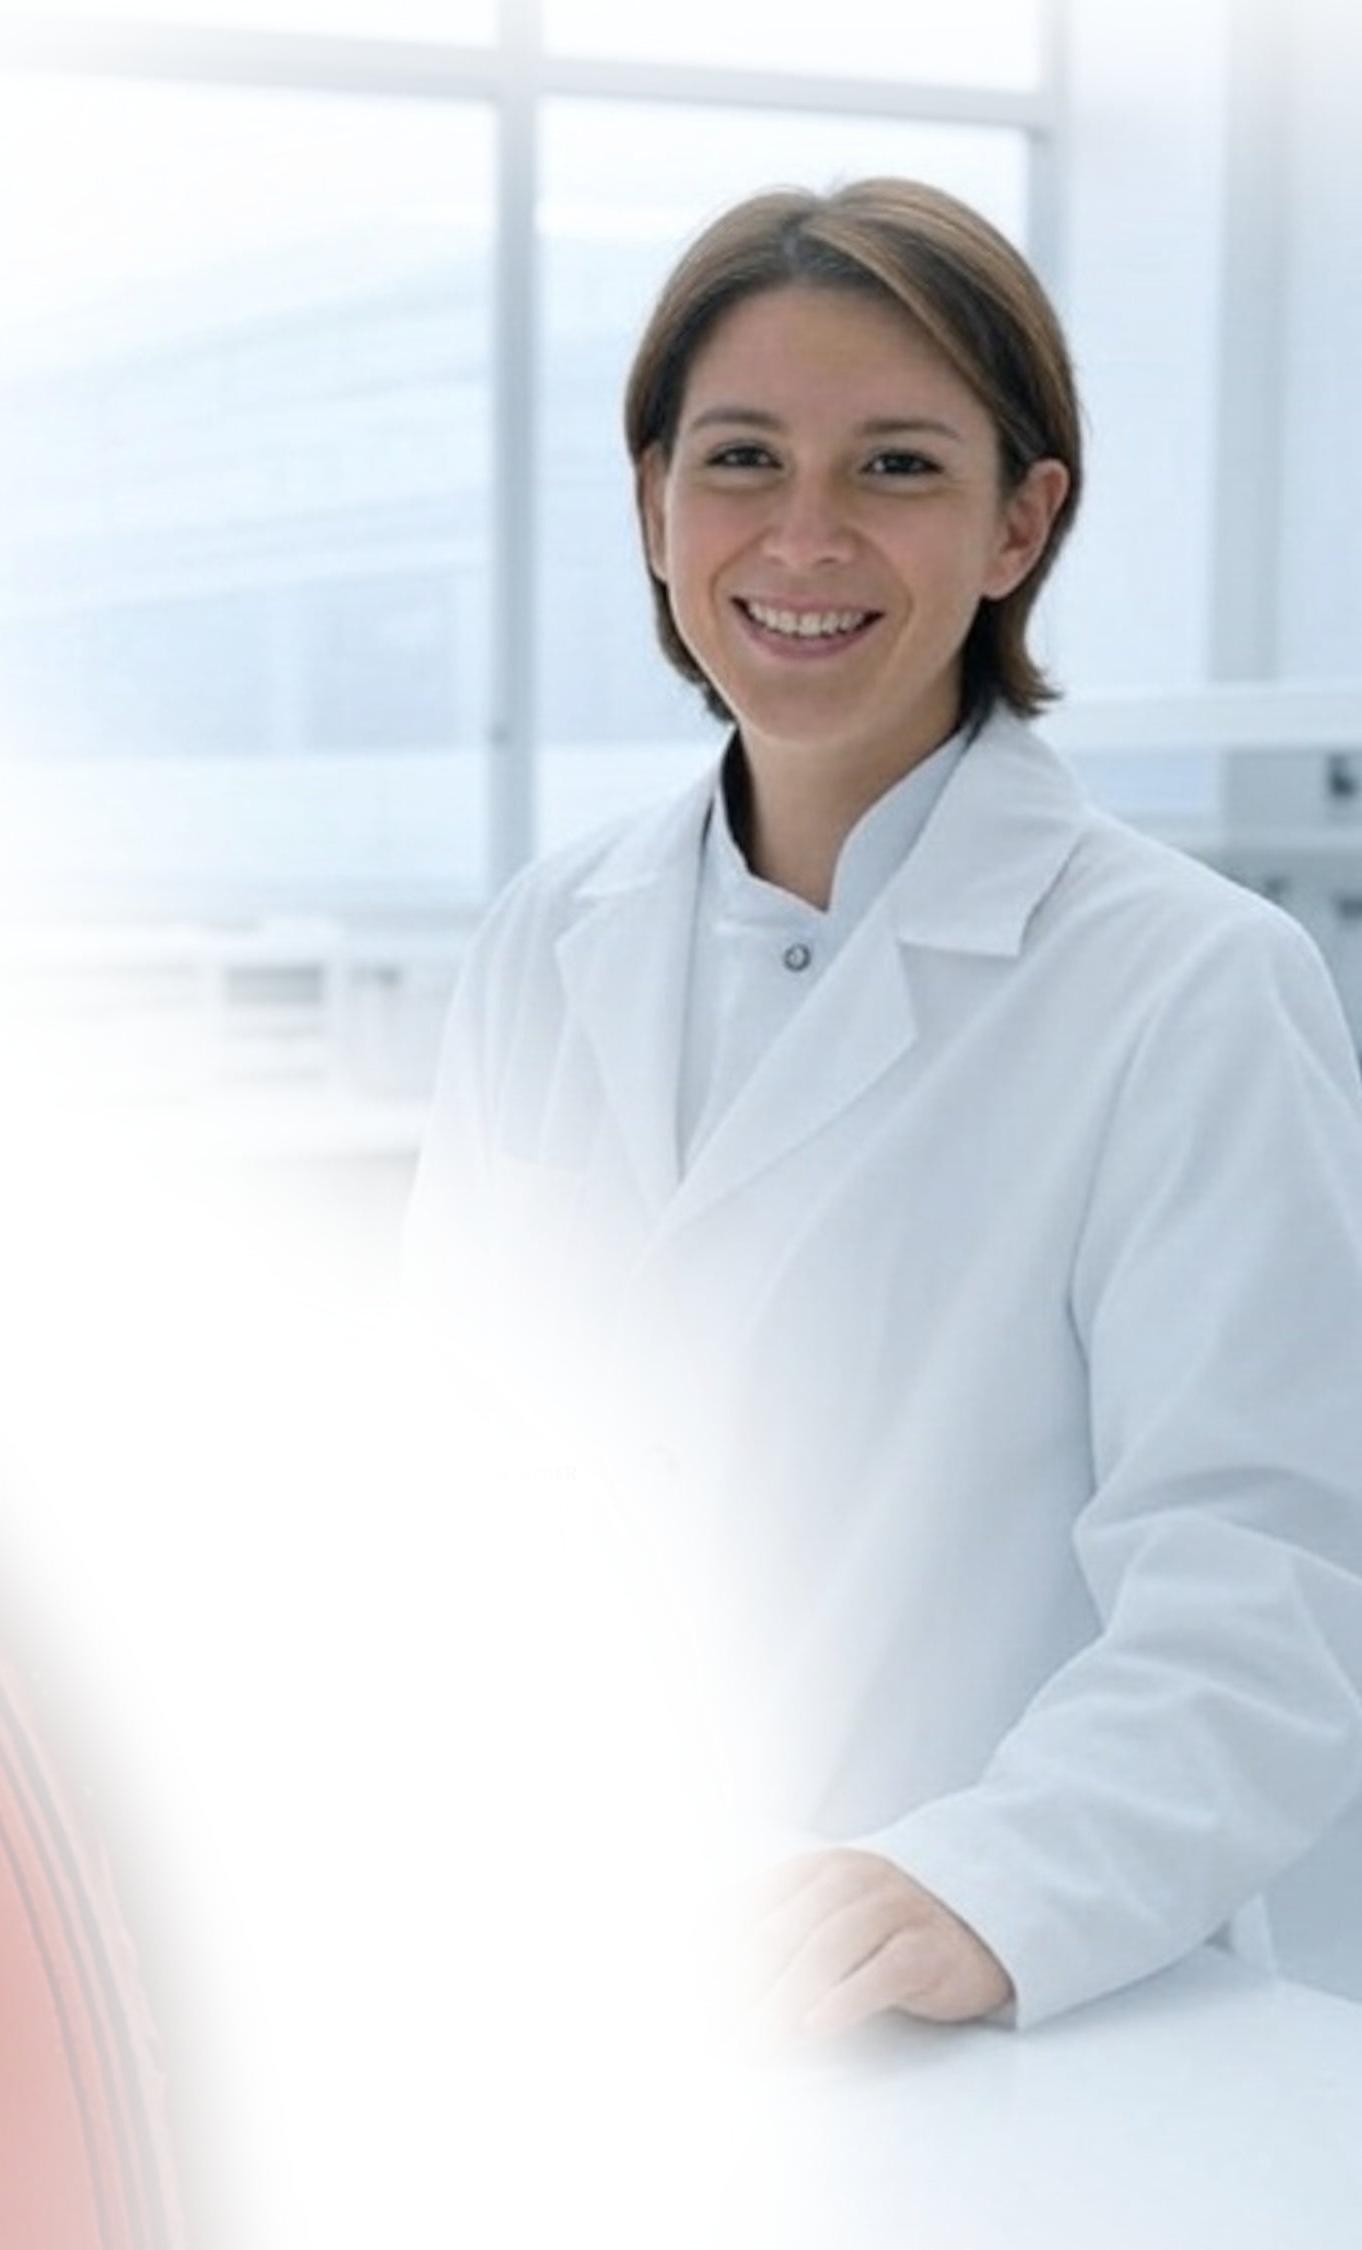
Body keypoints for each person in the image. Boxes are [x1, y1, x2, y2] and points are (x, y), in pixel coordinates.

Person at [400, 177, 1362, 2036]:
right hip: (594, 1957)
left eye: (900, 467)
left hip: (1016, 2003)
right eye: (742, 457)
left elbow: (1270, 1577)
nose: (805, 535)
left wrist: (991, 1882)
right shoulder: (550, 936)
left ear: (1024, 521)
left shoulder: (1188, 985)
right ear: (654, 504)